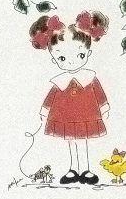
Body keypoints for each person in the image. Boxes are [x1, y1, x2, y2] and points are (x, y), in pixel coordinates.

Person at [30, 10, 111, 184]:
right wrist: (44, 111)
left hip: (87, 115)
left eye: (80, 55)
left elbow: (100, 94)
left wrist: (104, 107)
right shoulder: (59, 81)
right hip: (66, 117)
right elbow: (51, 98)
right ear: (54, 59)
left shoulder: (90, 78)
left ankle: (86, 169)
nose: (71, 62)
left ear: (88, 53)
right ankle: (74, 169)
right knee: (71, 141)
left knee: (83, 142)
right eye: (62, 58)